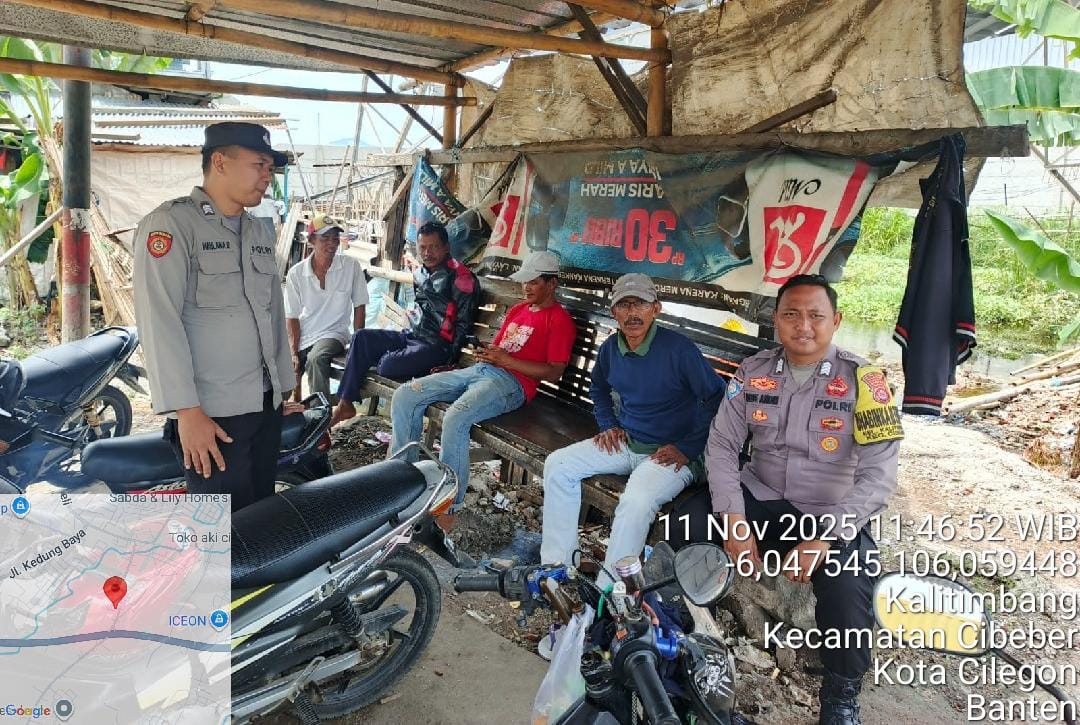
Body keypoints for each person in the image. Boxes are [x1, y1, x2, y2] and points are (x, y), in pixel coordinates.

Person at [704, 274, 902, 725]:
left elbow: (879, 476)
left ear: (837, 321)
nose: (803, 325)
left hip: (828, 512)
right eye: (791, 314)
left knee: (851, 580)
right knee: (688, 522)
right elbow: (722, 446)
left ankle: (841, 695)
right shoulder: (753, 371)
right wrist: (733, 519)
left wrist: (826, 538)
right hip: (761, 496)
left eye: (816, 315)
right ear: (776, 319)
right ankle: (684, 639)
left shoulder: (866, 381)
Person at [132, 122, 294, 512]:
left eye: (270, 168)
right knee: (221, 529)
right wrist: (187, 412)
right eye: (259, 165)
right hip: (213, 414)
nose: (267, 177)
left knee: (261, 518)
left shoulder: (258, 231)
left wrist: (282, 389)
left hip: (264, 406)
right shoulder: (172, 225)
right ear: (220, 162)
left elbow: (273, 312)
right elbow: (159, 322)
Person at [540, 274, 726, 581]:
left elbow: (717, 397)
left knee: (636, 501)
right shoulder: (611, 349)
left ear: (656, 308)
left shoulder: (679, 350)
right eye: (624, 305)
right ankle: (556, 570)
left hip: (672, 454)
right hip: (627, 441)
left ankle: (610, 591)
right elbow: (598, 388)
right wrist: (608, 424)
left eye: (640, 304)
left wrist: (689, 448)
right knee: (558, 465)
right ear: (613, 312)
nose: (632, 313)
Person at [389, 251, 576, 515]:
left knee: (456, 418)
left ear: (552, 283)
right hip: (480, 371)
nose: (526, 287)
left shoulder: (559, 320)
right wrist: (487, 352)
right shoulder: (519, 309)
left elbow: (555, 372)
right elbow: (500, 348)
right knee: (406, 395)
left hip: (512, 385)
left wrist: (507, 361)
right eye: (525, 281)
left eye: (534, 282)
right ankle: (399, 481)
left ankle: (448, 505)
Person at [331, 221, 480, 425]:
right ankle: (345, 403)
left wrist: (450, 361)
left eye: (433, 247)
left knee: (386, 366)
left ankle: (370, 364)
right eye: (422, 247)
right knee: (361, 337)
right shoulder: (420, 273)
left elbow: (464, 324)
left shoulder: (462, 278)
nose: (427, 253)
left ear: (446, 247)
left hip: (436, 347)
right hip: (411, 337)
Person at [284, 213, 368, 402]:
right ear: (311, 240)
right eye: (325, 238)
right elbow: (292, 317)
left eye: (335, 238)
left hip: (334, 333)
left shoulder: (350, 266)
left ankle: (320, 414)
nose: (332, 243)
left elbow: (360, 306)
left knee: (316, 359)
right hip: (305, 334)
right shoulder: (296, 273)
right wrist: (293, 353)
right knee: (282, 369)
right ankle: (288, 408)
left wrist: (358, 343)